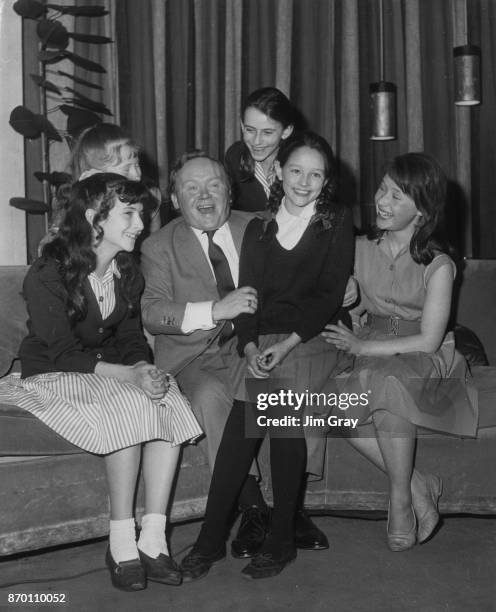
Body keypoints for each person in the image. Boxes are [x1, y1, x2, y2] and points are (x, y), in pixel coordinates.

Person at [0, 173, 202, 591]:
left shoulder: (127, 270)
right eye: (129, 213)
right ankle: (121, 540)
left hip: (107, 371)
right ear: (94, 218)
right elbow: (62, 353)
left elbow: (129, 338)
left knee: (166, 399)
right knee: (126, 407)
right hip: (56, 374)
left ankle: (153, 538)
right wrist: (128, 376)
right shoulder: (48, 273)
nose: (141, 223)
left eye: (142, 213)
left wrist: (145, 370)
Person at [140, 150, 331, 564]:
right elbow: (152, 313)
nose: (205, 196)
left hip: (254, 345)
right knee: (210, 397)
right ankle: (252, 509)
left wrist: (345, 285)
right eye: (191, 188)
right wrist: (215, 310)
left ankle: (288, 509)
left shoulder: (261, 226)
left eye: (214, 185)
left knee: (281, 392)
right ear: (176, 199)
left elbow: (311, 272)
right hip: (196, 356)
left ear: (229, 191)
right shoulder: (159, 246)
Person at [179, 131, 354, 581]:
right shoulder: (259, 226)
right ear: (279, 171)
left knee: (275, 405)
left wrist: (286, 344)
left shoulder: (335, 221)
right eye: (296, 171)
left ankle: (271, 538)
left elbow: (328, 296)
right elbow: (248, 296)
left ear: (326, 180)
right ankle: (215, 536)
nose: (304, 181)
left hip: (313, 338)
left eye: (316, 174)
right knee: (245, 415)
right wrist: (252, 346)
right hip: (266, 341)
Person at [321, 153, 478, 551]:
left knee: (388, 384)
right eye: (382, 189)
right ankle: (417, 484)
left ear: (422, 212)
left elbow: (429, 339)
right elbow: (344, 303)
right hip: (370, 348)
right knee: (332, 404)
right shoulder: (356, 248)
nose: (382, 201)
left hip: (423, 356)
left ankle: (400, 503)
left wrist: (364, 346)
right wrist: (350, 303)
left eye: (396, 195)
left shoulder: (439, 264)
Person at [41, 123, 162, 252]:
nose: (137, 175)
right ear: (97, 175)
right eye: (126, 170)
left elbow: (155, 248)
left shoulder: (150, 197)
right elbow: (49, 246)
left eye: (137, 165)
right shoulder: (79, 202)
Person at [225, 87, 295, 212]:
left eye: (267, 132)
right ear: (242, 126)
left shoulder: (299, 163)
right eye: (250, 130)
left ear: (286, 131)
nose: (256, 141)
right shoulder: (234, 157)